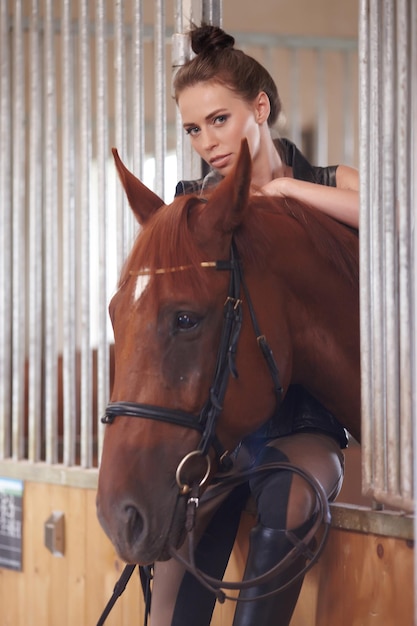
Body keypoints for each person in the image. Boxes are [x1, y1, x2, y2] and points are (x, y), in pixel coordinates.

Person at [148, 23, 359, 626]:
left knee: (296, 495)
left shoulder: (323, 181)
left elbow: (395, 211)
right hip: (220, 419)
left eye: (219, 119)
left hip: (305, 417)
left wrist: (284, 189)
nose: (206, 142)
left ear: (259, 107)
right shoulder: (191, 204)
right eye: (193, 128)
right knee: (176, 515)